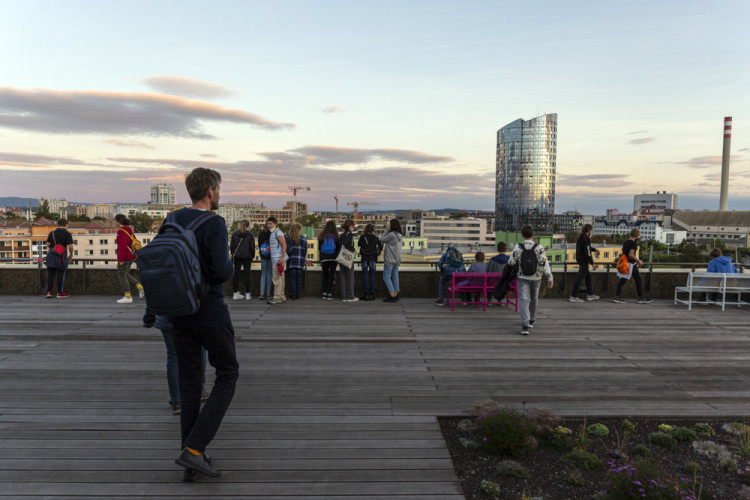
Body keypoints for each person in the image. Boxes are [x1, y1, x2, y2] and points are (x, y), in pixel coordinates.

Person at [170, 167, 238, 480]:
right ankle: (195, 449)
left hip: (178, 312)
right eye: (219, 189)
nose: (220, 194)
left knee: (190, 385)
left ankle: (190, 464)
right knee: (227, 373)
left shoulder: (171, 219)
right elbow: (223, 272)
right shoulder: (214, 222)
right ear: (210, 191)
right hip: (209, 310)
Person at [155, 314, 209, 416]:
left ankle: (177, 401)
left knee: (173, 357)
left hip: (167, 317)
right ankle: (200, 390)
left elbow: (152, 297)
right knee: (199, 351)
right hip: (194, 316)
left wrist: (149, 315)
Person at [507, 225, 554, 336]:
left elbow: (511, 262)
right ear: (533, 235)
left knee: (523, 299)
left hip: (522, 277)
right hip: (536, 277)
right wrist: (550, 277)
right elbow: (544, 263)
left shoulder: (518, 247)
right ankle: (532, 319)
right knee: (534, 298)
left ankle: (524, 324)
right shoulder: (539, 247)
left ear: (522, 235)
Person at [613, 228, 652, 304]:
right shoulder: (634, 244)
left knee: (631, 279)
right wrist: (639, 261)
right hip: (630, 264)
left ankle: (618, 296)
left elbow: (626, 254)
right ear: (637, 235)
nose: (639, 237)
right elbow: (631, 254)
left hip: (626, 263)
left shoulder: (626, 242)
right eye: (639, 235)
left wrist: (636, 260)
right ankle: (640, 297)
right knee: (634, 280)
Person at [115, 214, 145, 304]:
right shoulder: (129, 230)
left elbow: (122, 246)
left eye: (115, 220)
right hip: (131, 256)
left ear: (118, 221)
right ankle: (139, 287)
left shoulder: (121, 231)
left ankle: (128, 297)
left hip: (125, 257)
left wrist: (121, 259)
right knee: (125, 274)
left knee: (121, 275)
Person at [569, 224, 600, 302]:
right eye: (591, 230)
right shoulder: (586, 239)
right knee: (579, 279)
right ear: (589, 230)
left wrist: (595, 250)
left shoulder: (581, 237)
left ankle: (590, 294)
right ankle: (573, 296)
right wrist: (592, 263)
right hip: (584, 261)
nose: (591, 231)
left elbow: (587, 248)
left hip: (580, 259)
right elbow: (588, 252)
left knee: (588, 277)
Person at [45, 218, 74, 298]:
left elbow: (48, 244)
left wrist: (54, 247)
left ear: (58, 225)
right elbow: (70, 246)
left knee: (50, 274)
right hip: (61, 256)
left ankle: (48, 292)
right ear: (66, 225)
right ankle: (59, 293)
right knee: (60, 273)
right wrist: (71, 254)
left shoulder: (52, 233)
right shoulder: (67, 234)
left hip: (51, 255)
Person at [230, 220, 255, 300]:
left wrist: (233, 253)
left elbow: (232, 246)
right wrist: (252, 255)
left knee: (236, 274)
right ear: (248, 226)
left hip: (237, 257)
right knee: (247, 275)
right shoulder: (250, 235)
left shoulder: (234, 234)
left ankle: (235, 293)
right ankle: (247, 294)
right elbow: (252, 247)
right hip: (247, 257)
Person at [266, 216, 287, 305]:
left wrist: (281, 258)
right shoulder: (274, 233)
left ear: (275, 224)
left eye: (270, 224)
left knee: (276, 278)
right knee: (281, 278)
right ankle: (282, 296)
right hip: (277, 258)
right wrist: (269, 247)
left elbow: (284, 245)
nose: (268, 225)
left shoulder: (278, 232)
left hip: (278, 259)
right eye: (267, 224)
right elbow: (278, 244)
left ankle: (276, 297)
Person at [381, 219, 403, 303]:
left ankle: (392, 295)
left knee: (386, 276)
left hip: (390, 259)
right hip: (397, 259)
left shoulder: (391, 235)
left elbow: (382, 240)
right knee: (395, 276)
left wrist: (386, 230)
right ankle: (396, 294)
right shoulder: (400, 235)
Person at [358, 224, 382, 301]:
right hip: (372, 258)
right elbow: (381, 247)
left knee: (365, 275)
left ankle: (366, 294)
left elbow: (359, 245)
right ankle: (372, 294)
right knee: (372, 275)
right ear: (372, 230)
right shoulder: (375, 238)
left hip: (364, 258)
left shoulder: (362, 237)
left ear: (365, 229)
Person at [318, 220, 339, 300]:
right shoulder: (336, 236)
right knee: (331, 275)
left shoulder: (321, 236)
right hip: (333, 258)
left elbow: (319, 248)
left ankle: (324, 293)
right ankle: (329, 293)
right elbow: (337, 248)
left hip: (324, 258)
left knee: (325, 275)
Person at [286, 223, 307, 300]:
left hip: (291, 261)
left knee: (292, 278)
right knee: (299, 278)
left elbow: (286, 251)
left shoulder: (288, 239)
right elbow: (305, 251)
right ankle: (298, 294)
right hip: (300, 262)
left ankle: (293, 294)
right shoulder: (303, 239)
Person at [338, 219, 358, 302]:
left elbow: (340, 245)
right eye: (353, 226)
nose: (353, 227)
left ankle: (344, 297)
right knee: (350, 277)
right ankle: (350, 296)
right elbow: (347, 244)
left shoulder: (342, 235)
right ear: (350, 226)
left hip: (341, 257)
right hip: (348, 257)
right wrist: (354, 250)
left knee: (343, 277)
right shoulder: (350, 234)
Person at [257, 224, 272, 300]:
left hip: (263, 255)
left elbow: (259, 245)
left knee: (263, 274)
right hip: (271, 256)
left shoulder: (261, 234)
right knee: (269, 274)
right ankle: (268, 294)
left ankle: (262, 293)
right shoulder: (272, 234)